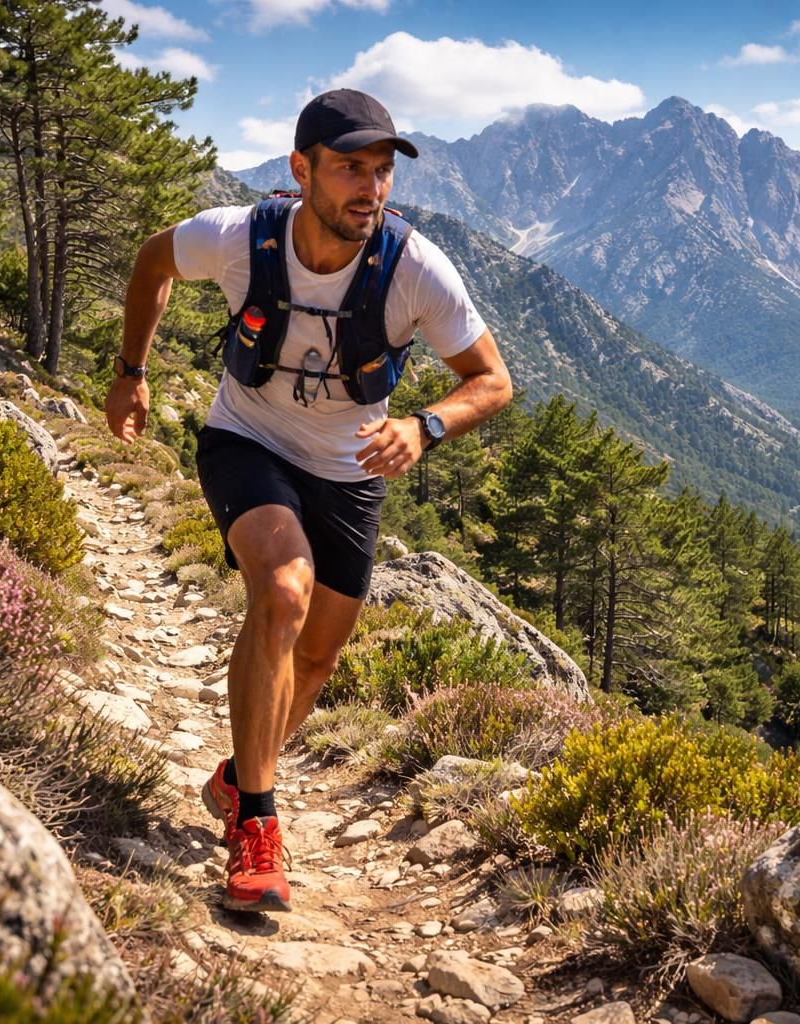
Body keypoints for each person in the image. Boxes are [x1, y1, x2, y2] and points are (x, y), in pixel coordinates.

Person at [106, 88, 512, 912]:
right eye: (349, 169)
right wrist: (131, 373)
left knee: (319, 656)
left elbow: (494, 382)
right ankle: (258, 826)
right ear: (303, 170)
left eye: (383, 171)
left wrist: (426, 426)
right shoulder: (238, 238)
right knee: (282, 590)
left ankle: (237, 774)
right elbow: (152, 260)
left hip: (350, 472)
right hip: (246, 443)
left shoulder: (414, 268)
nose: (371, 188)